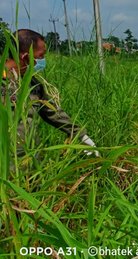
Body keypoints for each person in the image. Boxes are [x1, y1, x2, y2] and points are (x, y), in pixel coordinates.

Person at [2, 29, 98, 161]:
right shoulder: (3, 82)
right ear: (25, 56)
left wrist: (81, 135)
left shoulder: (33, 84)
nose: (43, 61)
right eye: (40, 56)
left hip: (30, 159)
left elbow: (52, 112)